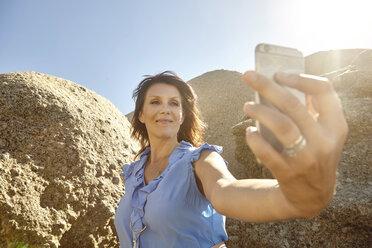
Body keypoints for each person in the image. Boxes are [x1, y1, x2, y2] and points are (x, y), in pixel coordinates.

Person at [114, 70, 348, 248]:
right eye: (155, 102)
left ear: (182, 115)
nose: (165, 109)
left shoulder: (200, 159)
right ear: (141, 114)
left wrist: (291, 198)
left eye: (174, 103)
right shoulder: (132, 173)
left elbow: (226, 189)